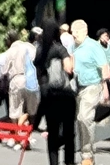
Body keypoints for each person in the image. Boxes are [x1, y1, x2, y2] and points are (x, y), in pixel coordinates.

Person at [39, 19, 81, 165]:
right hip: (65, 96)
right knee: (69, 133)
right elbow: (69, 68)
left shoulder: (40, 50)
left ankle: (53, 162)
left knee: (52, 134)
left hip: (48, 97)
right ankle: (69, 162)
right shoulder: (60, 48)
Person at [71, 18, 110, 165]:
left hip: (92, 87)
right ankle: (86, 154)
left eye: (76, 31)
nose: (73, 34)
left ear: (84, 31)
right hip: (78, 88)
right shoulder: (74, 47)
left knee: (84, 117)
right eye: (72, 32)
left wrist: (105, 88)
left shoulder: (94, 46)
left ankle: (87, 155)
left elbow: (105, 67)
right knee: (80, 122)